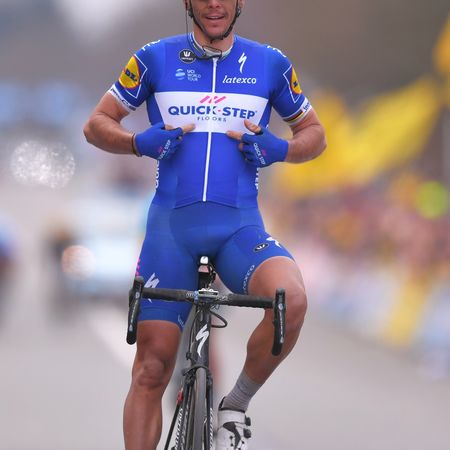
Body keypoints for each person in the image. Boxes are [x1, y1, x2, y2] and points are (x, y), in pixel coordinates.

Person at [83, 0, 326, 448]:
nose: (214, 3)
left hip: (239, 229)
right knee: (152, 368)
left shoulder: (270, 63)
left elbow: (315, 135)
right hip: (172, 231)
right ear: (188, 3)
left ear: (239, 3)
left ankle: (234, 405)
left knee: (290, 301)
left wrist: (280, 149)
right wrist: (137, 142)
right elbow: (95, 125)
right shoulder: (154, 57)